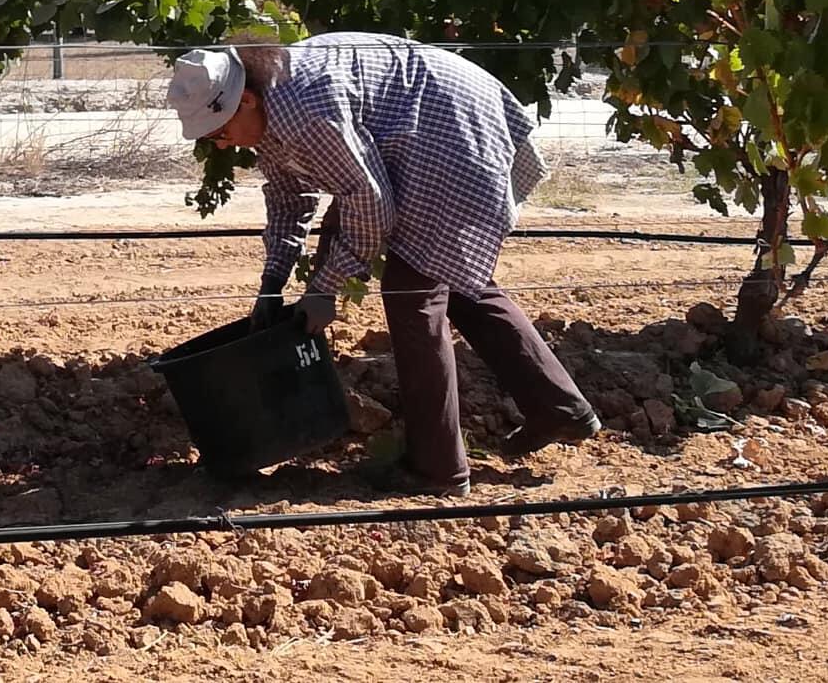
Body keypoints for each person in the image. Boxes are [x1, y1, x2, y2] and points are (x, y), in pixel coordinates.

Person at [165, 32, 599, 496]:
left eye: (220, 132)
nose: (223, 145)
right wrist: (272, 281)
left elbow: (370, 206)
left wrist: (323, 290)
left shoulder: (305, 112)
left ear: (246, 100)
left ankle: (438, 470)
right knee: (449, 272)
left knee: (412, 294)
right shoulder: (269, 106)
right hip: (432, 126)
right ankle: (560, 410)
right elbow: (291, 198)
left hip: (448, 134)